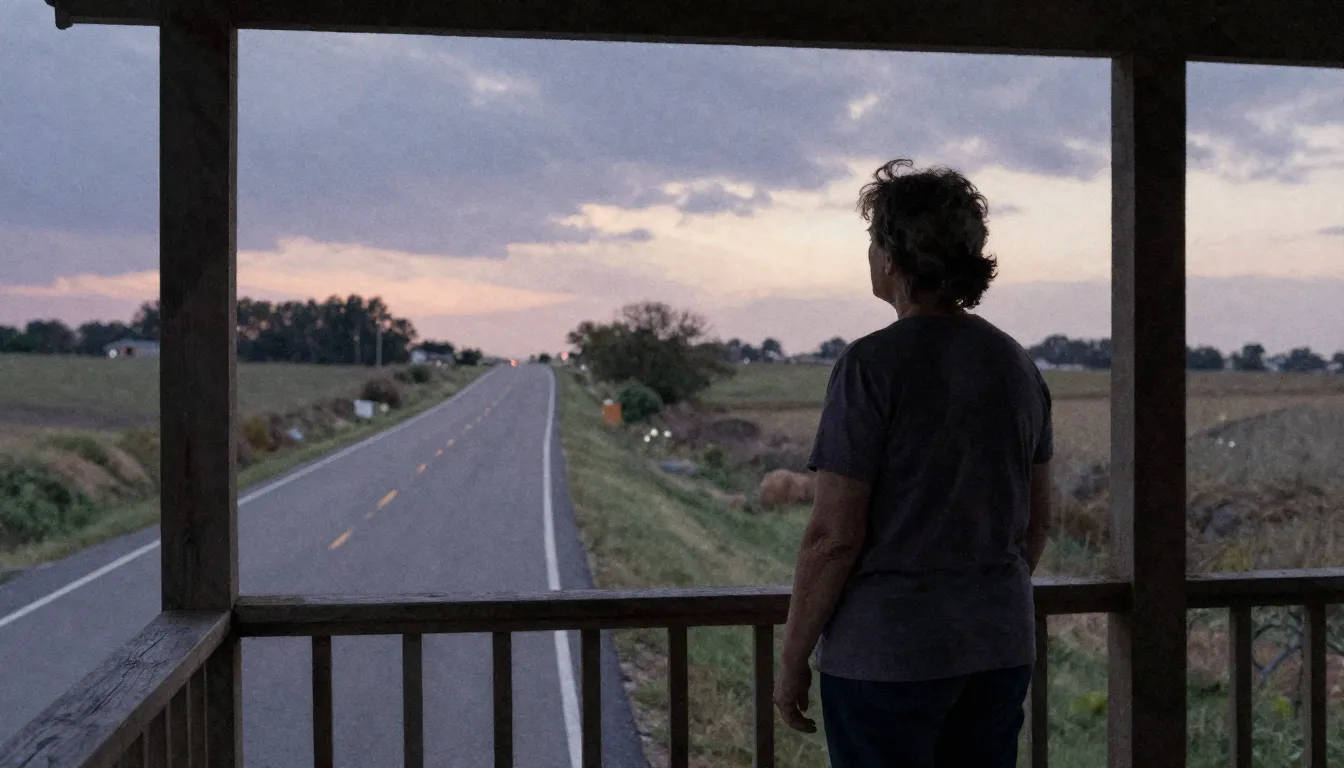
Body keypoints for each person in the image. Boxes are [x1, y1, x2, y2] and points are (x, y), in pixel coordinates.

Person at [775, 158, 1054, 767]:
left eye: (873, 239)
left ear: (891, 257)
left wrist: (793, 658)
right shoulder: (1016, 365)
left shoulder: (870, 366)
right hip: (999, 649)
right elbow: (1037, 524)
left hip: (888, 657)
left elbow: (832, 537)